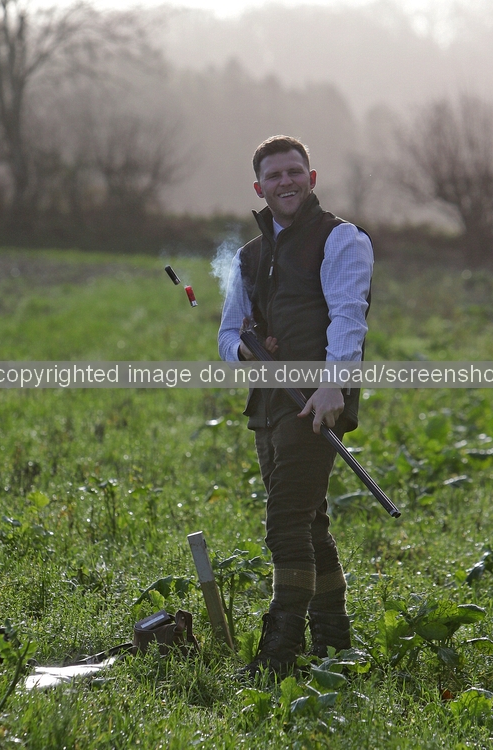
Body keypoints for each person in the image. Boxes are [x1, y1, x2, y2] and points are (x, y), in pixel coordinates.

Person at [218, 135, 373, 677]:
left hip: (314, 400)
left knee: (285, 520)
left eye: (294, 171)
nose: (285, 181)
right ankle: (333, 641)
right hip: (267, 404)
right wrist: (245, 349)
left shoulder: (341, 238)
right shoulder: (247, 256)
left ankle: (278, 653)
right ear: (259, 187)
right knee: (309, 522)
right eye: (274, 175)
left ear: (311, 177)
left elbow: (349, 315)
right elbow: (226, 336)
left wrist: (334, 385)